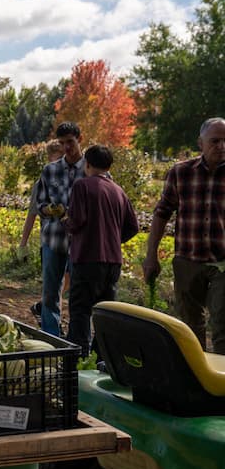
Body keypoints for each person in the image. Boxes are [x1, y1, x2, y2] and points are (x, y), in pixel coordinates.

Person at [143, 117, 225, 353]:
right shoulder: (181, 173)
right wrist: (151, 256)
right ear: (201, 143)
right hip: (188, 259)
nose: (221, 146)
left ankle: (220, 380)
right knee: (190, 325)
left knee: (222, 323)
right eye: (215, 141)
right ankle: (197, 379)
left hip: (222, 262)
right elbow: (161, 214)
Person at [62, 145, 139, 357]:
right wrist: (114, 240)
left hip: (87, 258)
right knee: (105, 313)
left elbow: (77, 222)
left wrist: (65, 222)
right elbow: (133, 226)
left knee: (80, 311)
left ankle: (79, 359)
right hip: (113, 261)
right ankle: (102, 358)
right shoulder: (118, 191)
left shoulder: (82, 186)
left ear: (87, 164)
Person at [33, 122, 86, 336]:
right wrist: (50, 210)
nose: (66, 148)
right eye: (62, 143)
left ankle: (77, 339)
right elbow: (39, 205)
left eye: (70, 142)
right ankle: (51, 337)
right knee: (50, 293)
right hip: (54, 238)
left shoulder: (91, 169)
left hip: (81, 243)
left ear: (79, 140)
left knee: (78, 294)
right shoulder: (50, 170)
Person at [19, 140, 67, 316]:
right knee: (53, 284)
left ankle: (43, 307)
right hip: (51, 241)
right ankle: (49, 321)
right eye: (56, 159)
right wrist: (23, 243)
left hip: (71, 241)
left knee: (65, 281)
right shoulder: (42, 182)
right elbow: (32, 214)